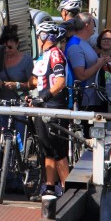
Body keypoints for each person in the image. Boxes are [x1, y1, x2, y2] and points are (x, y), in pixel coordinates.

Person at [29, 20, 70, 200]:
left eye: (38, 36)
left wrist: (43, 97)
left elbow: (60, 82)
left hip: (54, 107)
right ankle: (50, 189)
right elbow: (42, 80)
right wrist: (34, 96)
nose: (37, 40)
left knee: (59, 151)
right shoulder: (44, 55)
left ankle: (68, 192)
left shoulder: (55, 55)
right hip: (43, 107)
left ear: (44, 37)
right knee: (47, 149)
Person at [65, 12, 109, 111]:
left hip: (93, 98)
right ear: (87, 25)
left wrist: (100, 60)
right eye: (93, 22)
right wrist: (99, 64)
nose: (94, 25)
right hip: (84, 100)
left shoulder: (84, 42)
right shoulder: (75, 46)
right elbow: (81, 75)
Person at [0, 25, 32, 100]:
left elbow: (33, 85)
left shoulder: (26, 60)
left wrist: (17, 85)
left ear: (17, 43)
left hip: (19, 103)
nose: (6, 50)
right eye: (4, 47)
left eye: (10, 47)